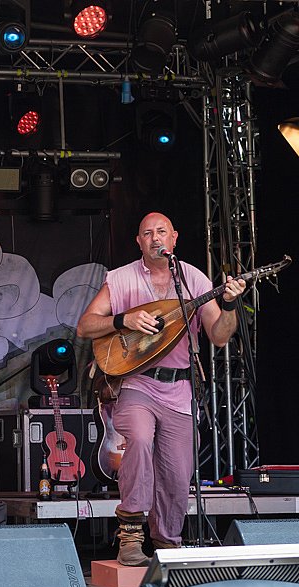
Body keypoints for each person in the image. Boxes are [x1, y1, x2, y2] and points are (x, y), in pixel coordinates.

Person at [76, 212, 246, 566]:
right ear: (139, 242)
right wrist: (123, 319)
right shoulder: (121, 278)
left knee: (177, 472)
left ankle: (166, 542)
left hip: (180, 388)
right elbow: (85, 326)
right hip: (137, 382)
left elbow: (219, 336)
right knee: (138, 439)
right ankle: (130, 534)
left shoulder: (193, 279)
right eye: (148, 233)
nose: (155, 238)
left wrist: (230, 305)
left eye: (162, 232)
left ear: (174, 238)